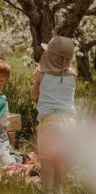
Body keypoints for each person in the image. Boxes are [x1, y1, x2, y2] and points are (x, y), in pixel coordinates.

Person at [30, 35, 77, 193]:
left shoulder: (41, 74)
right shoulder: (72, 75)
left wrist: (37, 79)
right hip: (70, 124)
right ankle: (59, 190)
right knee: (58, 161)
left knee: (47, 161)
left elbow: (34, 94)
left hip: (50, 123)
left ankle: (46, 190)